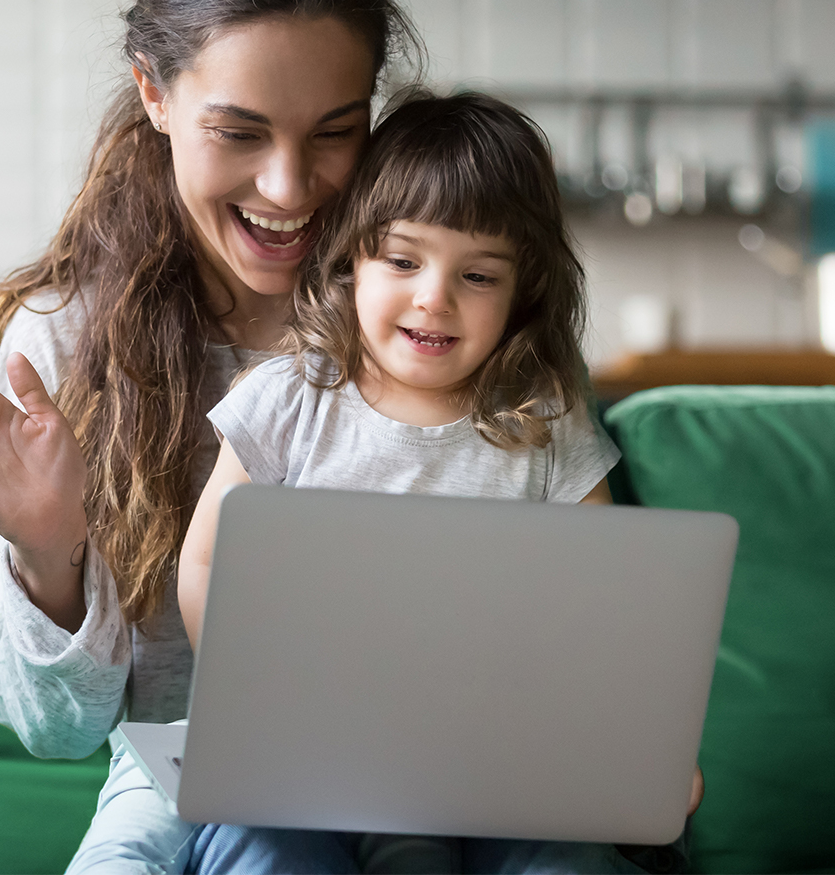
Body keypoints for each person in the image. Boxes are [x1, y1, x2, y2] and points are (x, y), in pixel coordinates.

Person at [0, 0, 420, 875]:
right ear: (154, 96)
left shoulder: (427, 322)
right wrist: (49, 553)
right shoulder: (65, 340)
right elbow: (60, 733)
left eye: (335, 131)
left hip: (422, 787)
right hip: (193, 800)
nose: (290, 189)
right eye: (240, 133)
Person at [172, 91, 696, 874]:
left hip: (500, 767)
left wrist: (637, 748)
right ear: (352, 256)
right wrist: (254, 697)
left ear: (523, 293)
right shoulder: (290, 399)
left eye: (479, 275)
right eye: (403, 259)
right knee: (263, 855)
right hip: (315, 761)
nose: (434, 297)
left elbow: (606, 611)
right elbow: (210, 562)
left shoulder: (544, 423)